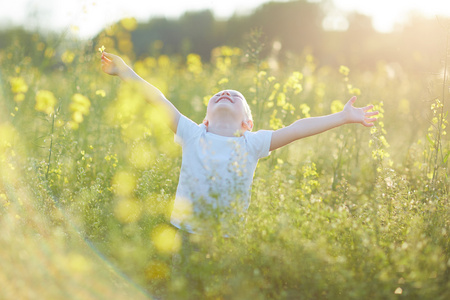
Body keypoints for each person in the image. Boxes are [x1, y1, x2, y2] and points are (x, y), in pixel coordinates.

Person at [100, 51, 378, 236]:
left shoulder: (252, 143)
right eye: (218, 94)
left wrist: (342, 117)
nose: (224, 93)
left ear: (247, 123)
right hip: (185, 234)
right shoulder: (192, 133)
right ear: (205, 120)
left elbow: (297, 129)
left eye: (234, 94)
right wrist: (126, 72)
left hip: (227, 237)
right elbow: (157, 99)